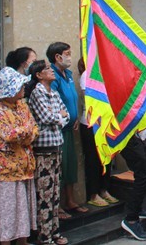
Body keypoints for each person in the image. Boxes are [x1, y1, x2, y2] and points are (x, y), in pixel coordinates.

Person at [0, 67, 39, 245]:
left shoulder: (22, 106)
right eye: (20, 85)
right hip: (7, 168)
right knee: (9, 210)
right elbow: (9, 135)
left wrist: (24, 132)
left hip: (25, 165)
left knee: (24, 207)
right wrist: (25, 131)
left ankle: (23, 241)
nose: (23, 88)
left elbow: (34, 129)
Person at [27, 60, 70, 245]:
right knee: (44, 194)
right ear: (38, 75)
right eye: (47, 69)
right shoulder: (38, 92)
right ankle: (44, 236)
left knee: (55, 193)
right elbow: (46, 116)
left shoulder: (53, 92)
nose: (51, 71)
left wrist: (58, 116)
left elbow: (66, 114)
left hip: (56, 146)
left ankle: (55, 232)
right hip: (43, 151)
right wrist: (58, 116)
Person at [46, 42, 86, 216]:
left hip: (70, 127)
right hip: (58, 130)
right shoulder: (53, 76)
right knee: (60, 167)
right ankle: (58, 206)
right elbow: (53, 101)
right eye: (67, 53)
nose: (69, 57)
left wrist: (74, 116)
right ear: (57, 56)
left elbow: (71, 98)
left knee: (70, 166)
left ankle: (70, 200)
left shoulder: (68, 74)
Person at [77, 58, 118, 208]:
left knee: (106, 158)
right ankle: (93, 193)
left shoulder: (105, 75)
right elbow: (88, 98)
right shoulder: (86, 75)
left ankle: (104, 189)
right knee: (93, 159)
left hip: (105, 124)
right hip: (91, 124)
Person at [119, 113, 146, 240]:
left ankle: (136, 208)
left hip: (131, 131)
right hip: (121, 133)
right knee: (143, 172)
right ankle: (131, 219)